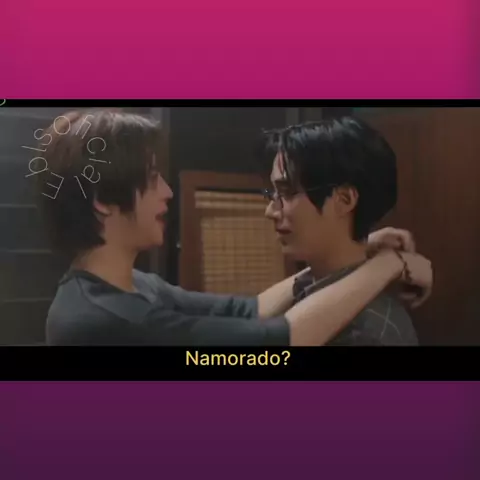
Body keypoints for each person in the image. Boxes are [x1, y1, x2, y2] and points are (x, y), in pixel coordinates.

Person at [32, 109, 432, 346]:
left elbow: (248, 310)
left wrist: (367, 252)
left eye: (286, 192)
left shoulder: (135, 286)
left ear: (345, 201)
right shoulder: (104, 319)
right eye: (152, 178)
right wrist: (388, 265)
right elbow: (277, 342)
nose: (168, 192)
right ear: (103, 201)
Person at [260, 118, 420, 345]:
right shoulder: (307, 292)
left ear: (344, 200)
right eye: (273, 193)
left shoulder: (363, 334)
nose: (270, 211)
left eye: (286, 192)